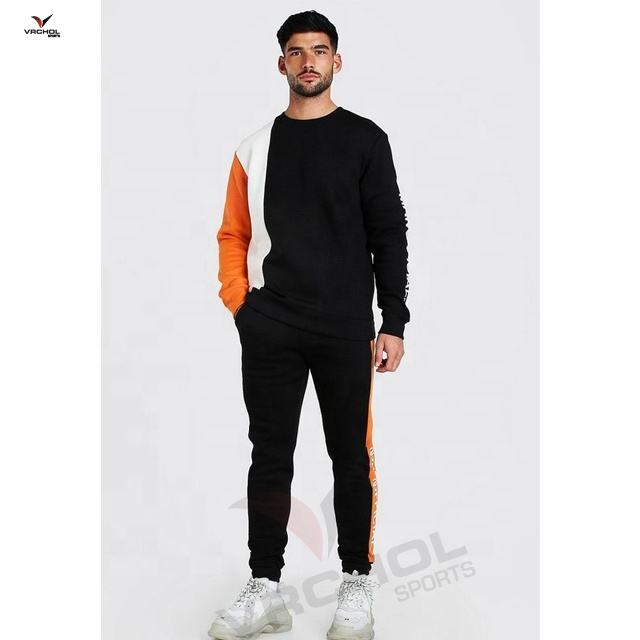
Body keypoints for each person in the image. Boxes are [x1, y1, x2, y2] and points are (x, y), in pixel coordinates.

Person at [208, 10, 410, 640]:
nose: (308, 62)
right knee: (269, 455)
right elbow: (233, 233)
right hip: (271, 326)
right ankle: (265, 586)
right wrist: (241, 306)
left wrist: (393, 320)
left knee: (350, 455)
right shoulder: (254, 147)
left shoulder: (366, 140)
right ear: (282, 64)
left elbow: (389, 232)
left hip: (345, 328)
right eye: (296, 52)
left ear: (336, 62)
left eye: (319, 51)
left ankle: (356, 583)